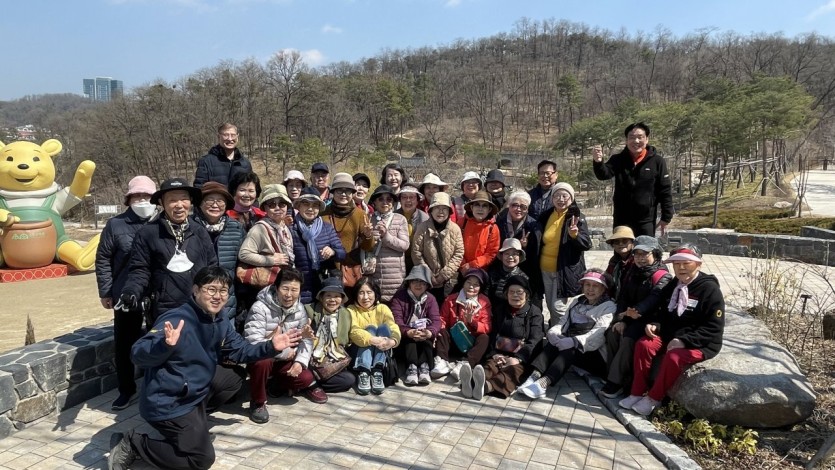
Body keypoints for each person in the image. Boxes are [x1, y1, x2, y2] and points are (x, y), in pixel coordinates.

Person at [107, 266, 303, 470]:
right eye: (211, 289)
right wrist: (164, 345)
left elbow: (240, 350)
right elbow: (137, 353)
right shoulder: (177, 320)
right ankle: (134, 444)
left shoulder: (220, 319)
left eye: (223, 291)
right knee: (201, 459)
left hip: (193, 392)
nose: (218, 296)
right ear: (196, 290)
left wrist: (271, 346)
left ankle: (193, 427)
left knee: (234, 377)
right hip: (168, 402)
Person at [618, 244, 724, 416]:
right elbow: (662, 310)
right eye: (676, 264)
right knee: (644, 344)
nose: (681, 268)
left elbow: (713, 327)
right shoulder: (675, 284)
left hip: (700, 342)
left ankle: (654, 398)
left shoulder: (710, 290)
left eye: (686, 263)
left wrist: (685, 341)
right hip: (670, 334)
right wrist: (655, 324)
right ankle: (637, 392)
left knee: (674, 357)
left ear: (698, 264)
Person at [95, 176, 157, 411]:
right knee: (124, 344)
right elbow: (103, 259)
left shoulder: (162, 221)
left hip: (156, 293)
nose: (142, 200)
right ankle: (126, 389)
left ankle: (155, 386)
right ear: (128, 199)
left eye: (147, 196)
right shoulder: (115, 225)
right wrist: (106, 291)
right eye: (137, 196)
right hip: (125, 294)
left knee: (159, 340)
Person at [120, 178, 217, 326]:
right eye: (172, 200)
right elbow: (140, 270)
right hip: (164, 308)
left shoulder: (200, 231)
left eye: (184, 199)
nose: (179, 205)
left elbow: (212, 266)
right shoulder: (148, 233)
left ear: (190, 201)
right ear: (161, 203)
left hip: (199, 305)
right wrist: (131, 291)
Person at [517, 269, 616, 399]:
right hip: (576, 350)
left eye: (595, 286)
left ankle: (544, 383)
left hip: (595, 356)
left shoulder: (609, 306)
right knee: (553, 343)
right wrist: (554, 331)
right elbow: (563, 322)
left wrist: (574, 341)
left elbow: (598, 333)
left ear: (603, 288)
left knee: (571, 349)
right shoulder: (577, 302)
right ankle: (533, 376)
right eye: (587, 284)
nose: (590, 289)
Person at [244, 268, 327, 424]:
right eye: (285, 288)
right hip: (262, 357)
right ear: (276, 288)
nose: (289, 294)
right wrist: (284, 352)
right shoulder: (260, 308)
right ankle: (258, 402)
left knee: (305, 378)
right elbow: (253, 343)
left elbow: (306, 339)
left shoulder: (300, 309)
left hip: (283, 361)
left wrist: (300, 362)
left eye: (294, 290)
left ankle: (275, 385)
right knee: (263, 362)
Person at [601, 236, 672, 398]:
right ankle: (613, 375)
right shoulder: (633, 271)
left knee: (628, 338)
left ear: (655, 254)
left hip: (652, 320)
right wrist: (622, 319)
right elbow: (624, 297)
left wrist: (636, 311)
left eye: (644, 254)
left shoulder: (662, 276)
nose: (640, 258)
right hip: (632, 316)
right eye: (637, 254)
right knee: (613, 333)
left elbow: (654, 298)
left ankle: (615, 382)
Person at [460, 275, 544, 401]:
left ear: (526, 294)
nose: (515, 295)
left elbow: (535, 340)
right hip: (500, 353)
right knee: (489, 366)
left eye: (519, 292)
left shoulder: (534, 313)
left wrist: (518, 359)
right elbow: (493, 333)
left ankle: (485, 387)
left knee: (511, 373)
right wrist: (494, 354)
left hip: (521, 359)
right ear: (506, 294)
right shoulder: (500, 310)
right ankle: (470, 383)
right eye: (511, 292)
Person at [593, 122, 674, 237]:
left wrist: (666, 217)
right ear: (626, 140)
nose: (636, 141)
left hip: (646, 220)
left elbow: (665, 190)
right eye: (631, 137)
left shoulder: (657, 161)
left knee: (645, 248)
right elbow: (603, 175)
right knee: (622, 248)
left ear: (647, 139)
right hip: (622, 219)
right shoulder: (618, 159)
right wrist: (598, 162)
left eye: (640, 137)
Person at [237, 184, 295, 322]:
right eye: (272, 204)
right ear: (265, 208)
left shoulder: (284, 227)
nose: (277, 208)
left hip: (280, 287)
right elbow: (244, 254)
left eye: (282, 204)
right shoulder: (260, 228)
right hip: (264, 290)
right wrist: (272, 260)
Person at [537, 182, 591, 326]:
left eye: (565, 196)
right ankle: (555, 331)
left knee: (558, 308)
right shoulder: (546, 216)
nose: (560, 199)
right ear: (552, 198)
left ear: (571, 198)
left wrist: (575, 235)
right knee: (550, 305)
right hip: (545, 269)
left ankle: (560, 335)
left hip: (563, 270)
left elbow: (586, 244)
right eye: (557, 196)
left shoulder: (576, 217)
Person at [191, 182, 245, 319]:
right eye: (210, 200)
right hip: (196, 302)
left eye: (220, 201)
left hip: (227, 302)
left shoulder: (236, 228)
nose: (215, 205)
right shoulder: (189, 228)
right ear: (200, 203)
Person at [432, 269, 492, 380]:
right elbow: (442, 318)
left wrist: (472, 321)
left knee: (484, 338)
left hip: (470, 343)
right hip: (454, 340)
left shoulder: (484, 302)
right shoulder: (451, 299)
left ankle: (465, 365)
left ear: (480, 287)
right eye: (468, 282)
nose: (471, 287)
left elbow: (487, 327)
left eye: (476, 285)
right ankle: (442, 361)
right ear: (463, 283)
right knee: (441, 331)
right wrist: (438, 331)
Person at [290, 187, 346, 304]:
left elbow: (342, 253)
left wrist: (333, 251)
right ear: (298, 206)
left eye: (315, 205)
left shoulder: (326, 228)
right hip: (300, 288)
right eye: (306, 204)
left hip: (323, 288)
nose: (310, 209)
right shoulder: (291, 229)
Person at [348, 277, 401, 395]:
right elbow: (353, 331)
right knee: (370, 329)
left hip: (380, 351)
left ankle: (377, 371)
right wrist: (371, 339)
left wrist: (393, 341)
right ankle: (364, 372)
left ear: (375, 293)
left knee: (383, 328)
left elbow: (393, 326)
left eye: (369, 292)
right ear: (356, 295)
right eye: (361, 293)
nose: (365, 297)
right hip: (359, 352)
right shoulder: (351, 310)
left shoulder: (382, 308)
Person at [390, 265, 441, 386]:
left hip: (424, 335)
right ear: (409, 282)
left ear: (427, 285)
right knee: (411, 340)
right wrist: (408, 332)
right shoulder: (399, 297)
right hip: (406, 337)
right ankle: (411, 367)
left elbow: (436, 320)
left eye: (422, 282)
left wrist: (429, 332)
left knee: (428, 338)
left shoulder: (431, 299)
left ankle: (424, 367)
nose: (418, 285)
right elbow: (396, 320)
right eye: (415, 281)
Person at [411, 192, 465, 306]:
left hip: (448, 281)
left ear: (449, 211)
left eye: (444, 208)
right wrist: (428, 274)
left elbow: (458, 253)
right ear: (431, 210)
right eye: (437, 208)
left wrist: (443, 275)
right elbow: (416, 252)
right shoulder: (422, 228)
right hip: (426, 280)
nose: (441, 212)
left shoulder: (455, 229)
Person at [305, 277, 356, 393]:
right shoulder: (309, 310)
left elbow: (346, 340)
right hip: (311, 359)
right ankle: (309, 383)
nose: (332, 300)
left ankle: (311, 385)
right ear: (321, 297)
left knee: (349, 380)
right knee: (304, 373)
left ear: (342, 299)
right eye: (328, 295)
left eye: (337, 296)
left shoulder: (346, 314)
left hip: (333, 360)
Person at [321, 173, 375, 277]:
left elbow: (368, 247)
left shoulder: (360, 215)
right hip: (327, 268)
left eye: (348, 191)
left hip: (350, 270)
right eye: (339, 190)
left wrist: (368, 235)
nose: (343, 194)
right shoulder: (323, 214)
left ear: (352, 193)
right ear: (333, 192)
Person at [366, 184, 410, 302]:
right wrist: (368, 236)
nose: (385, 202)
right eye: (381, 199)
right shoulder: (368, 219)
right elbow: (363, 246)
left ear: (393, 203)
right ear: (374, 202)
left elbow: (404, 245)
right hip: (374, 274)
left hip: (395, 276)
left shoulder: (400, 219)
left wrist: (386, 236)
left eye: (389, 199)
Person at [496, 190, 541, 302]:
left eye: (523, 207)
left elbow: (536, 254)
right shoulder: (499, 221)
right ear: (509, 205)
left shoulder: (534, 226)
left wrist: (525, 247)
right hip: (501, 270)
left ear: (528, 209)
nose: (518, 209)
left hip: (525, 272)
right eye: (514, 205)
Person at [193, 123, 252, 189]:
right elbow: (199, 188)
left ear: (237, 136)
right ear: (219, 137)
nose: (230, 139)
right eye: (226, 135)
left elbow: (250, 187)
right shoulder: (206, 161)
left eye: (233, 135)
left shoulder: (245, 163)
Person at [459, 190, 501, 274]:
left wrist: (471, 265)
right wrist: (463, 265)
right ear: (471, 207)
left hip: (481, 271)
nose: (480, 209)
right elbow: (455, 246)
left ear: (489, 209)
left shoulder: (493, 228)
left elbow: (491, 253)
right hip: (460, 268)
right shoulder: (462, 223)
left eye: (484, 206)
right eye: (477, 205)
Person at [395, 183, 429, 273]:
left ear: (417, 200)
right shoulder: (393, 216)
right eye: (404, 197)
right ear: (400, 200)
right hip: (396, 261)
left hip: (418, 262)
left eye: (412, 197)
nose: (408, 200)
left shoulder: (425, 218)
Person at [486, 238, 529, 308]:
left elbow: (526, 302)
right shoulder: (492, 275)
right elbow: (485, 296)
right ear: (501, 256)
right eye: (507, 253)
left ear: (520, 257)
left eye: (514, 254)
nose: (510, 257)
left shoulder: (524, 278)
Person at [604, 226, 636, 299]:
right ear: (613, 245)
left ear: (632, 243)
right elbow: (607, 281)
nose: (621, 244)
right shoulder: (613, 262)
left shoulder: (637, 261)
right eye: (617, 242)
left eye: (625, 241)